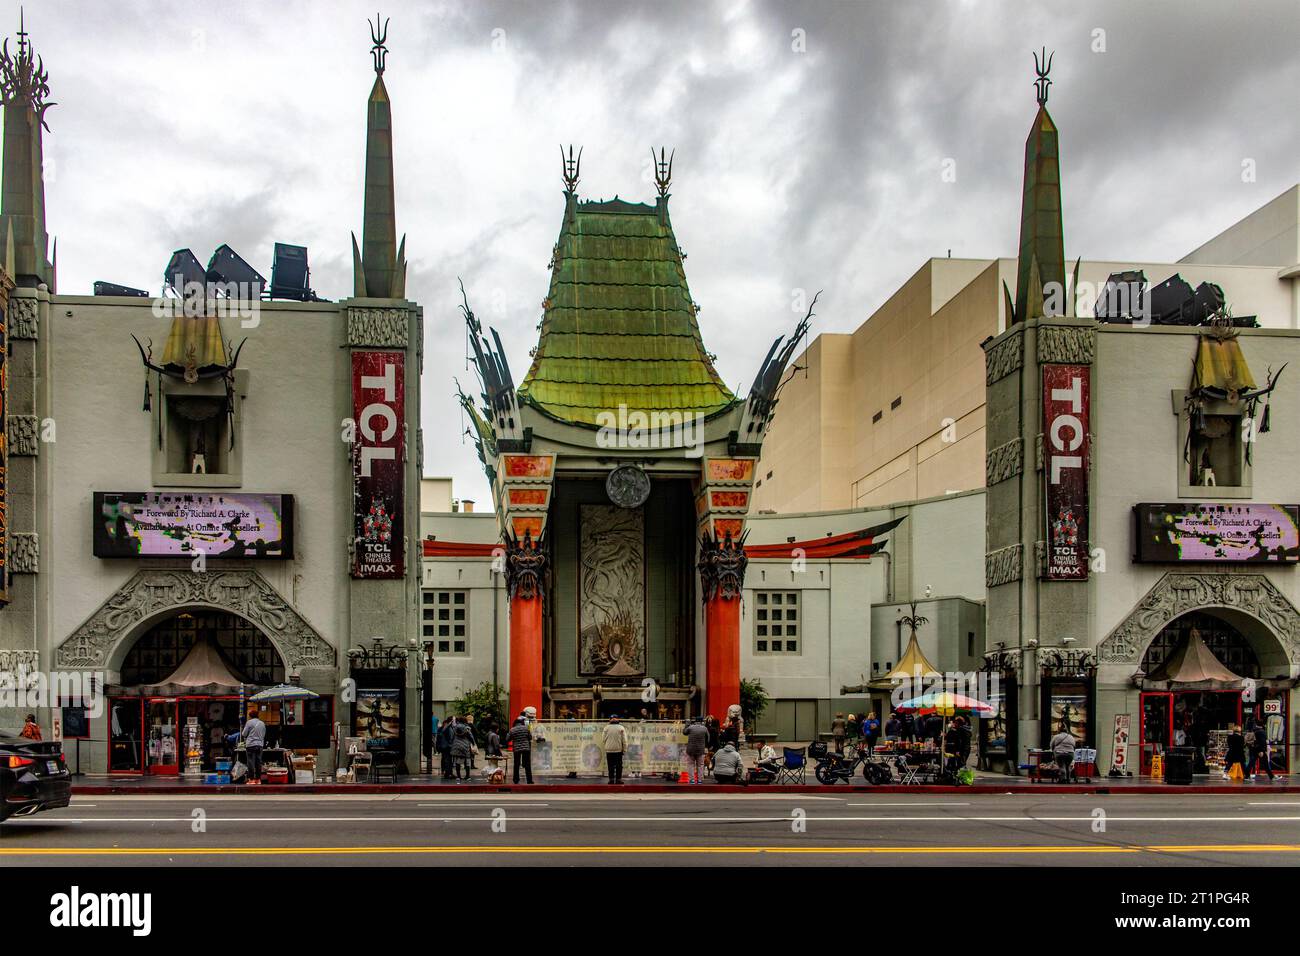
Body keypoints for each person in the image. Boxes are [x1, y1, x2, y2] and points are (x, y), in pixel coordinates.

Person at [241, 711, 267, 785]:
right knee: (258, 762)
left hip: (251, 745)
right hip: (260, 745)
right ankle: (258, 780)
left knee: (251, 762)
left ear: (250, 716)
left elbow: (244, 733)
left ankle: (251, 779)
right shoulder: (262, 723)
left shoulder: (249, 722)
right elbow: (264, 734)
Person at [506, 716, 534, 784]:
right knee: (527, 764)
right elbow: (530, 737)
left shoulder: (512, 729)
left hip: (517, 749)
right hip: (526, 748)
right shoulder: (526, 728)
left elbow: (507, 739)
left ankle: (516, 780)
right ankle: (529, 780)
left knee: (516, 764)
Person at [1246, 715, 1273, 781]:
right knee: (1265, 764)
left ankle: (1246, 776)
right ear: (1263, 724)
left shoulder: (1254, 730)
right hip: (1260, 750)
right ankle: (1271, 776)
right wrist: (1261, 750)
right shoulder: (1261, 732)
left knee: (1251, 763)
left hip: (1254, 749)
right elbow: (1262, 742)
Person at [684, 716, 709, 785]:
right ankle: (699, 780)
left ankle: (692, 780)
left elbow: (684, 732)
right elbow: (708, 738)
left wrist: (687, 724)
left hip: (690, 749)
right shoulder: (704, 728)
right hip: (701, 749)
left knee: (690, 764)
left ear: (695, 721)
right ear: (702, 722)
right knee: (700, 765)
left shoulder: (691, 727)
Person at [603, 715, 627, 784]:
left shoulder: (606, 728)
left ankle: (611, 779)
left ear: (609, 720)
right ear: (618, 719)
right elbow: (624, 740)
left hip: (609, 750)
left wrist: (607, 745)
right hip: (618, 750)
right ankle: (618, 779)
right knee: (619, 765)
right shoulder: (621, 728)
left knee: (610, 765)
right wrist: (624, 749)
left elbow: (603, 739)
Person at [450, 716, 475, 780]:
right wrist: (473, 743)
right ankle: (467, 776)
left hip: (457, 746)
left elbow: (452, 737)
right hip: (465, 746)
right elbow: (471, 737)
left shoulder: (455, 728)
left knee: (458, 761)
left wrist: (452, 743)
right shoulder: (467, 728)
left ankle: (458, 776)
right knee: (467, 761)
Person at [437, 714, 456, 779]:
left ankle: (449, 773)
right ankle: (448, 773)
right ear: (451, 721)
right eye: (454, 720)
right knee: (448, 760)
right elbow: (448, 736)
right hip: (447, 746)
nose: (455, 721)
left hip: (447, 746)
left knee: (449, 760)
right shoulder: (448, 727)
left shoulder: (449, 727)